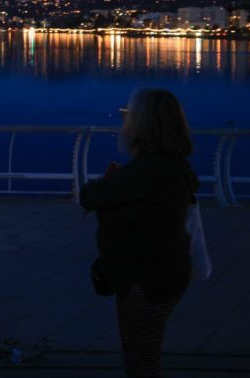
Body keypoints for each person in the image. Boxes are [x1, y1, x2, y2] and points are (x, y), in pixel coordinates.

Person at [80, 88, 200, 377]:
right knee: (146, 350)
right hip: (168, 273)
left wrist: (109, 181)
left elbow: (91, 196)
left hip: (145, 279)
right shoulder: (175, 167)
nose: (124, 122)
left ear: (143, 124)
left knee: (140, 355)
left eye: (128, 115)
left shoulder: (144, 171)